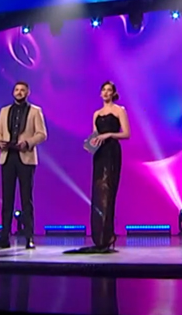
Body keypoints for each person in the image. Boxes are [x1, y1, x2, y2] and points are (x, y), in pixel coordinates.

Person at [67, 81, 129, 254]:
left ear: (113, 93)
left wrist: (109, 134)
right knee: (98, 192)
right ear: (100, 93)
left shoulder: (119, 110)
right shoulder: (96, 114)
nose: (106, 93)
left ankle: (108, 236)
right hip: (100, 153)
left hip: (112, 151)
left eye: (109, 90)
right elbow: (95, 135)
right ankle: (99, 236)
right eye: (104, 90)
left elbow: (126, 133)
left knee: (109, 191)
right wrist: (90, 143)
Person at [0, 81, 47, 250]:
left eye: (22, 90)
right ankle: (4, 238)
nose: (19, 92)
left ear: (28, 92)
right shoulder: (4, 111)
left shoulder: (35, 111)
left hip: (25, 157)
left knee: (26, 199)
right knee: (7, 199)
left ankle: (29, 237)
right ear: (13, 92)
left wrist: (27, 142)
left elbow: (42, 134)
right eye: (17, 90)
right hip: (7, 157)